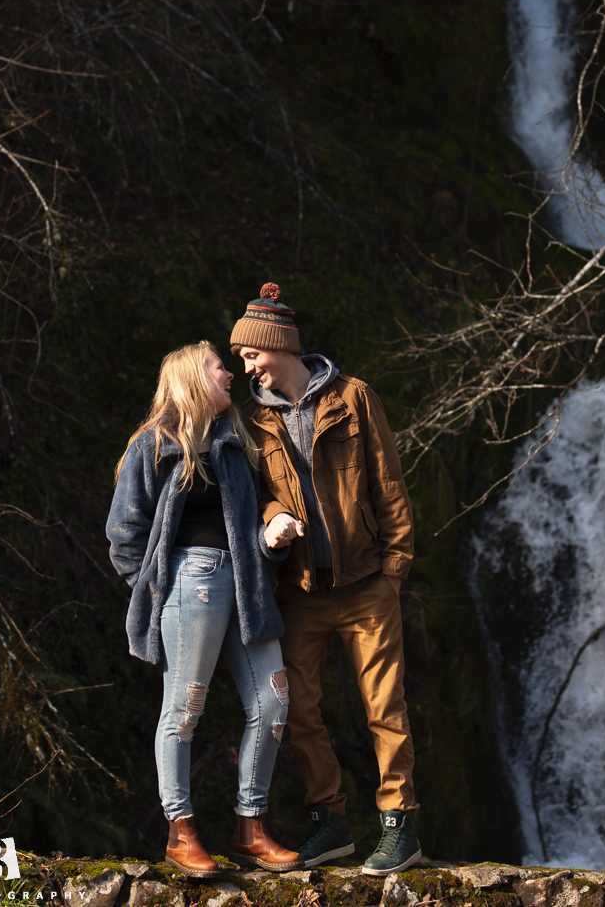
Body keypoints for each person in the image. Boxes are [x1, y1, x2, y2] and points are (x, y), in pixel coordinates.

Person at [230, 284, 421, 877]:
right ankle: (330, 824)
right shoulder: (252, 420)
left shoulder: (354, 397)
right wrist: (271, 519)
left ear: (276, 346)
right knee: (300, 712)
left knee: (384, 708)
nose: (246, 366)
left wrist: (394, 571)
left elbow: (388, 486)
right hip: (301, 592)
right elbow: (254, 495)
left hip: (367, 586)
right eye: (240, 359)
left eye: (250, 354)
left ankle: (399, 827)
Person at [106, 341, 304, 878]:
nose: (231, 376)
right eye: (222, 367)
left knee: (274, 703)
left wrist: (274, 535)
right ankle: (181, 830)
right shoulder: (153, 445)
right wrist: (153, 587)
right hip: (188, 584)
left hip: (249, 584)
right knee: (185, 710)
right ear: (195, 377)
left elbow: (250, 528)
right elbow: (123, 534)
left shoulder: (237, 443)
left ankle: (250, 827)